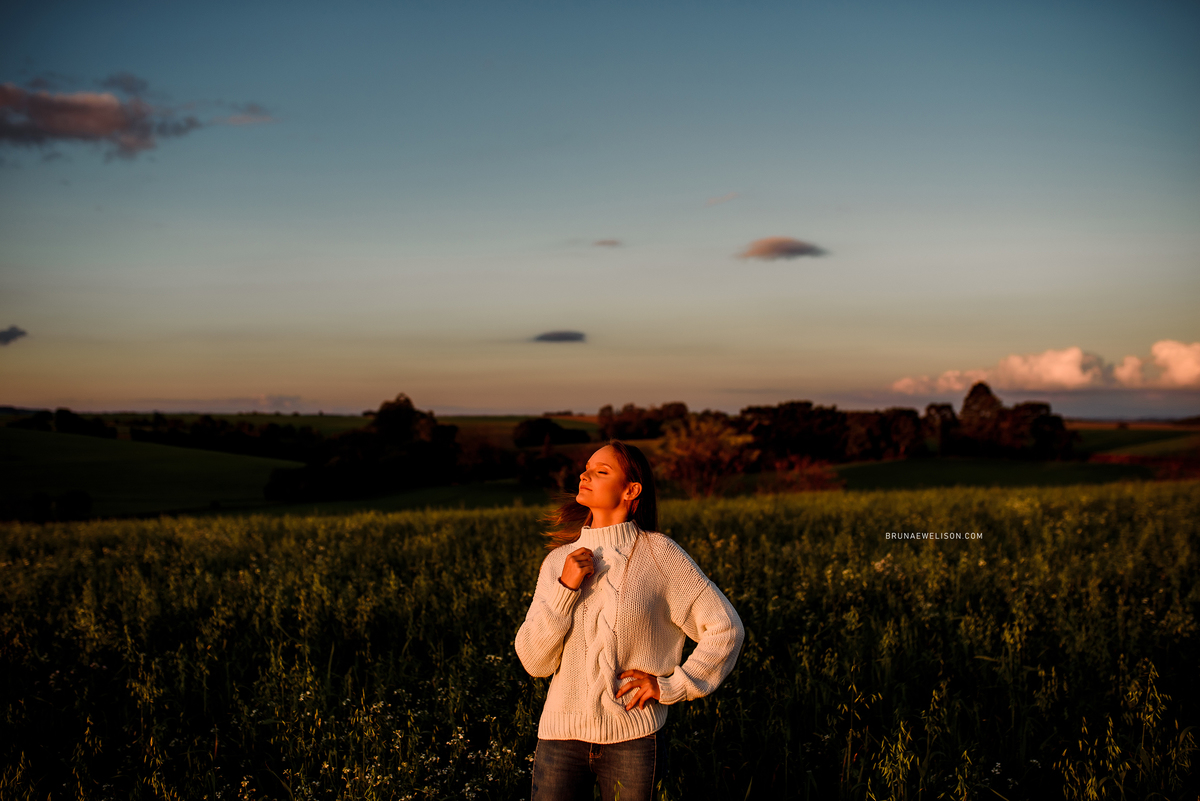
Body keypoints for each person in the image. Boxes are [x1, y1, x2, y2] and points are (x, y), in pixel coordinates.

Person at [515, 440, 745, 801]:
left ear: (631, 490)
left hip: (634, 743)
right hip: (559, 741)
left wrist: (672, 686)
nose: (585, 474)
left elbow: (725, 628)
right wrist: (565, 589)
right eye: (586, 467)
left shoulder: (660, 553)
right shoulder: (558, 562)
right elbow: (534, 662)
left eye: (601, 471)